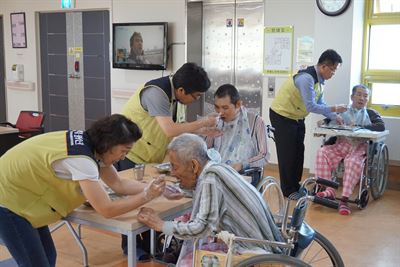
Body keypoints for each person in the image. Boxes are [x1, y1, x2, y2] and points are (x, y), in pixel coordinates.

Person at [0, 114, 167, 266]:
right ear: (109, 144)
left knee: (48, 257)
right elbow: (107, 210)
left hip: (24, 197)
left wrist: (155, 188)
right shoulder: (82, 159)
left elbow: (118, 184)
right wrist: (147, 195)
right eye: (124, 151)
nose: (123, 157)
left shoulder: (91, 146)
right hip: (8, 201)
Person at [118, 62, 219, 255]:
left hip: (151, 155)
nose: (195, 100)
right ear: (182, 90)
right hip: (131, 151)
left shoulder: (175, 97)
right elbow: (169, 129)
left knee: (152, 199)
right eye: (195, 96)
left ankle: (151, 244)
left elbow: (177, 126)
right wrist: (204, 121)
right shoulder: (156, 93)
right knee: (132, 201)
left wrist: (203, 130)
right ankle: (129, 248)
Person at [137, 133, 284, 267]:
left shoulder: (210, 180)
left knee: (188, 260)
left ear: (194, 165)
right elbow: (204, 191)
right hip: (265, 244)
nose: (172, 173)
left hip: (256, 255)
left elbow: (203, 228)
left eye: (175, 167)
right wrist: (178, 190)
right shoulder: (217, 169)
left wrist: (161, 225)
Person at [269, 49, 347, 197]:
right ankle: (287, 190)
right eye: (333, 70)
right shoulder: (306, 78)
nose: (333, 74)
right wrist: (335, 108)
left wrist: (334, 116)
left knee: (299, 152)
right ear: (324, 67)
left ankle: (295, 185)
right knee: (287, 154)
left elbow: (320, 102)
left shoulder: (320, 81)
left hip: (297, 117)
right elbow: (311, 106)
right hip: (282, 116)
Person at [315, 84, 385, 215]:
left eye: (365, 96)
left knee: (352, 162)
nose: (362, 98)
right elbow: (328, 120)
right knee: (322, 152)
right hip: (341, 144)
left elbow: (380, 127)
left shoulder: (371, 113)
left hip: (359, 147)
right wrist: (324, 123)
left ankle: (344, 199)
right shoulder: (343, 110)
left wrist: (358, 126)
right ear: (352, 97)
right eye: (359, 94)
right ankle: (329, 189)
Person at [205, 84, 269, 186]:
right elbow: (206, 149)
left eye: (225, 108)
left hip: (246, 173)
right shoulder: (215, 121)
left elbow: (264, 156)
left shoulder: (255, 121)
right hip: (218, 172)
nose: (220, 112)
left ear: (238, 104)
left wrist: (242, 165)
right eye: (217, 107)